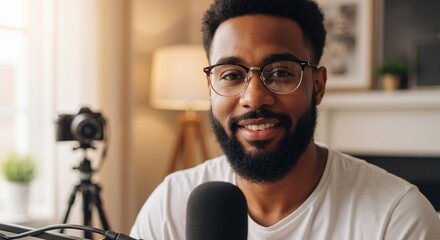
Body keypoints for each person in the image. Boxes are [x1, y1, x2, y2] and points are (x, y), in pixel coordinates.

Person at [130, 0, 440, 239]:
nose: (253, 97)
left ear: (317, 85)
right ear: (209, 89)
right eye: (232, 75)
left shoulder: (395, 216)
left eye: (279, 73)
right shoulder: (171, 204)